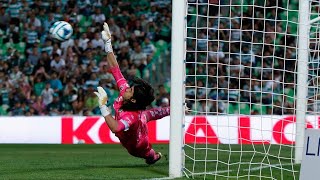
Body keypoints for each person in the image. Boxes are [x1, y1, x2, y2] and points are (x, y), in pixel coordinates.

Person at [94, 22, 170, 165]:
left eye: (130, 90)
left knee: (149, 154)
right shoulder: (126, 93)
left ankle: (153, 156)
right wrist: (108, 43)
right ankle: (173, 110)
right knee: (154, 113)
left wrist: (103, 107)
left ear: (134, 100)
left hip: (137, 145)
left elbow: (116, 127)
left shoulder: (130, 117)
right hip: (141, 119)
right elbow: (115, 69)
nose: (127, 88)